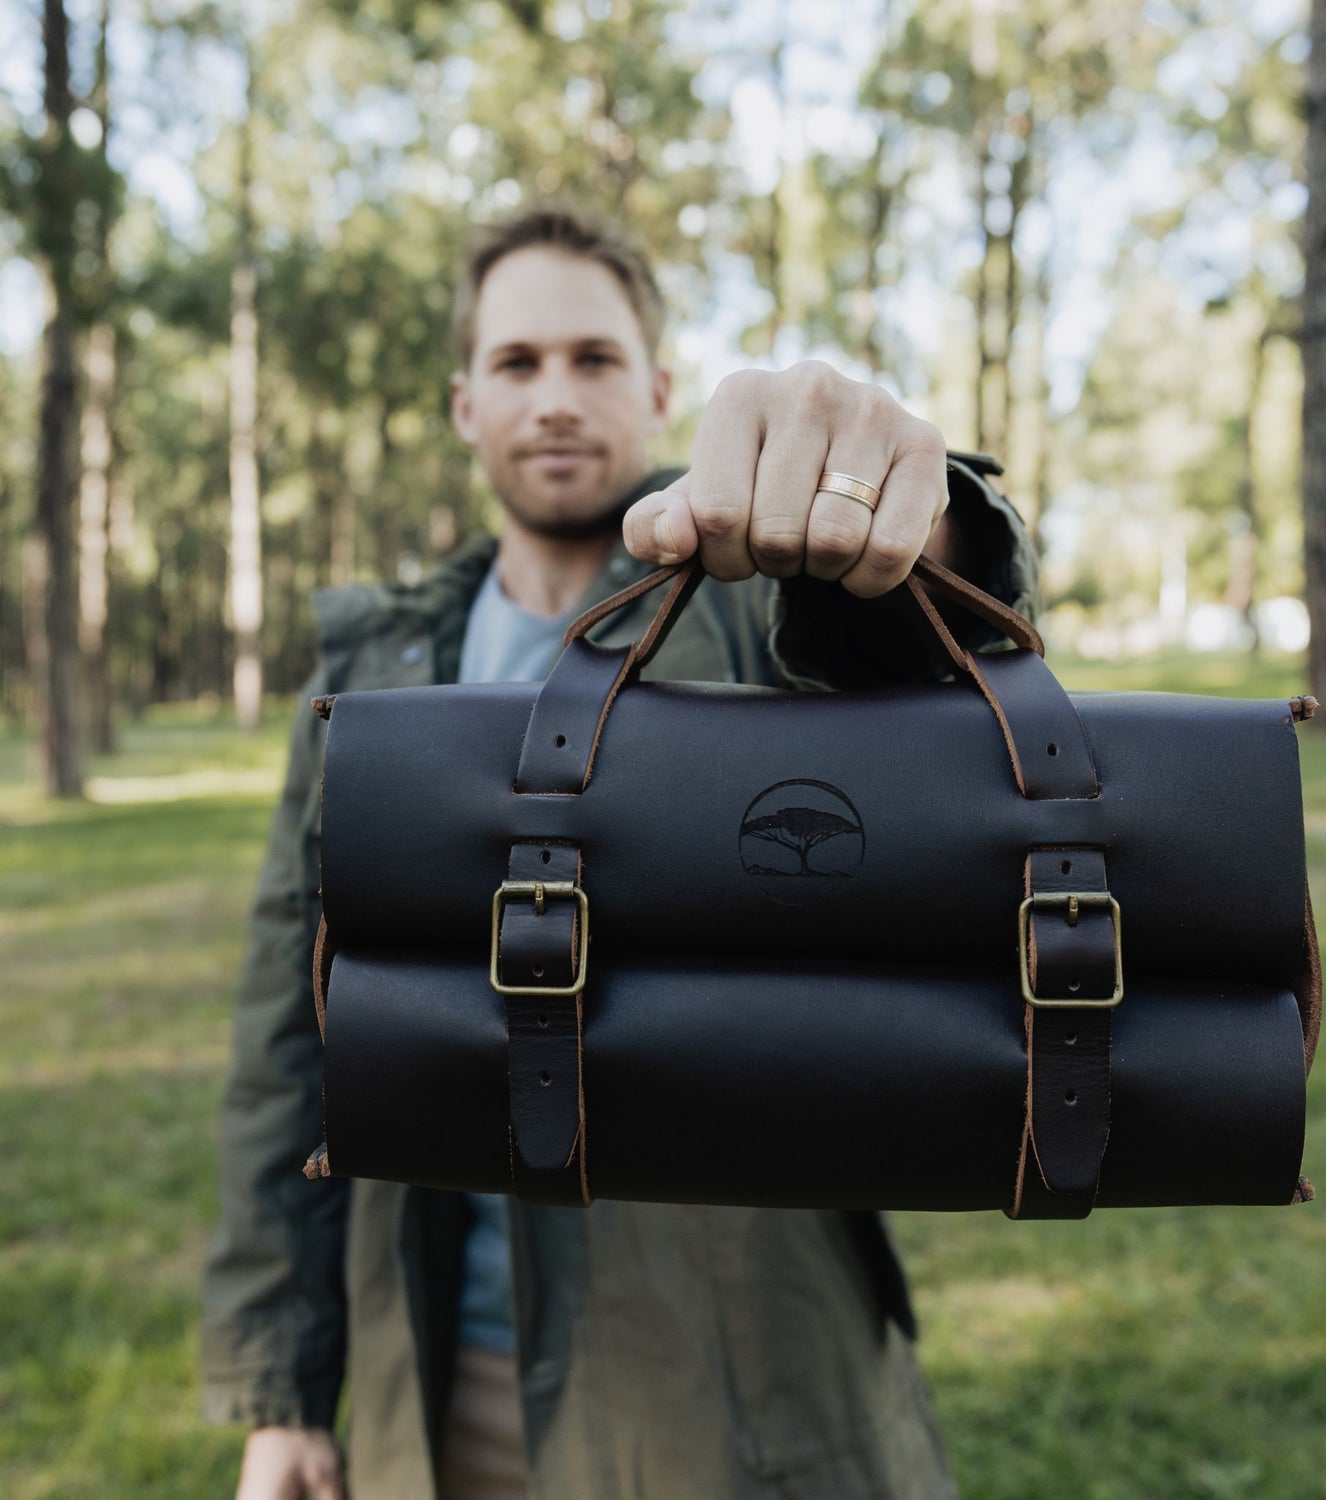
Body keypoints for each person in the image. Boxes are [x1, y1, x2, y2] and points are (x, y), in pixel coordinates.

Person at [202, 200, 1038, 1500]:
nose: (555, 398)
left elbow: (934, 693)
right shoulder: (375, 675)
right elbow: (284, 1043)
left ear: (656, 390)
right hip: (421, 1376)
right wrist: (283, 1391)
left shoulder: (766, 607)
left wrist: (920, 527)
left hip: (728, 1379)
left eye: (593, 360)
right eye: (517, 363)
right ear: (464, 402)